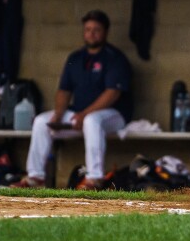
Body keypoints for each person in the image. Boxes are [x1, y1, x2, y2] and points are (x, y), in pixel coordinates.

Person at [11, 10, 133, 190]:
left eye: (96, 30)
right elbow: (63, 91)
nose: (91, 34)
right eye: (88, 29)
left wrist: (84, 114)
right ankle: (35, 177)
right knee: (41, 121)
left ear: (105, 32)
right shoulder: (75, 58)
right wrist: (59, 113)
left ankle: (94, 179)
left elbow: (112, 94)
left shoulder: (115, 58)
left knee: (92, 121)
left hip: (114, 116)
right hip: (80, 115)